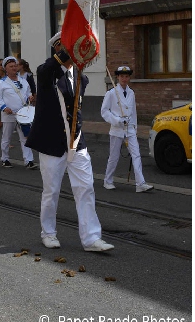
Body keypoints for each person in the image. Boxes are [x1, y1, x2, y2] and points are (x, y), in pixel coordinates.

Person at [33, 32, 113, 253]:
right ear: (58, 49)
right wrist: (69, 49)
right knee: (51, 191)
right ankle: (48, 233)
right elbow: (47, 69)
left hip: (76, 141)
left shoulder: (80, 77)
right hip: (52, 142)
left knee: (85, 188)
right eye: (68, 47)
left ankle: (91, 238)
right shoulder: (47, 73)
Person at [101, 65, 153, 193]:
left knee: (136, 155)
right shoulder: (111, 93)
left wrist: (135, 128)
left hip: (130, 129)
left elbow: (133, 112)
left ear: (129, 78)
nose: (124, 79)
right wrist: (117, 120)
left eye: (126, 76)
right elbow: (104, 112)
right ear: (118, 77)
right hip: (117, 129)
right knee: (114, 157)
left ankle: (140, 184)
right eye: (122, 76)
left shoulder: (131, 93)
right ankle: (108, 181)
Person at [0, 57, 36, 169]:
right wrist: (4, 108)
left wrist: (30, 97)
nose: (14, 68)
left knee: (25, 137)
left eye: (15, 66)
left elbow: (28, 93)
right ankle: (5, 159)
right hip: (9, 113)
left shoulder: (23, 81)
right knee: (6, 137)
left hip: (23, 114)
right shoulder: (2, 83)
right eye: (11, 66)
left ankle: (29, 160)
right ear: (6, 69)